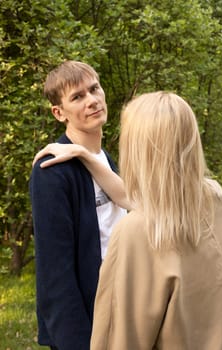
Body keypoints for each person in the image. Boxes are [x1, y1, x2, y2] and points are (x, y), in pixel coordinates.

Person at [32, 91, 222, 349]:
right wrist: (87, 155)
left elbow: (121, 340)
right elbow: (145, 199)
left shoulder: (137, 229)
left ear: (138, 148)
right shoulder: (215, 199)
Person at [29, 60, 127, 350]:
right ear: (59, 113)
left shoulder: (110, 164)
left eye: (94, 89)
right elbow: (54, 273)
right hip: (88, 323)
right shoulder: (52, 170)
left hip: (125, 310)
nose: (92, 101)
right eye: (78, 97)